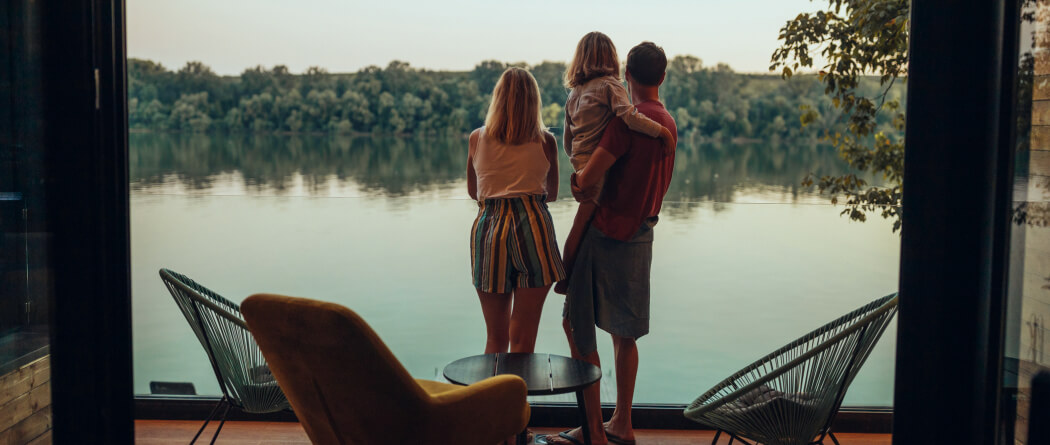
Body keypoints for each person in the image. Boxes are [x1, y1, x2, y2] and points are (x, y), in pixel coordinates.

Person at [541, 41, 676, 445]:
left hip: (605, 236)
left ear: (627, 76)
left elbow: (586, 181)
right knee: (624, 334)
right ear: (663, 77)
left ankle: (594, 431)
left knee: (576, 326)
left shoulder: (624, 124)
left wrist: (578, 178)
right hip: (642, 236)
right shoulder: (667, 122)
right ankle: (623, 423)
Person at [554, 31, 676, 296]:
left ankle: (564, 275)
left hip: (580, 161)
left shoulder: (574, 93)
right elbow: (628, 116)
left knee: (579, 223)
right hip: (599, 173)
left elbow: (567, 140)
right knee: (582, 221)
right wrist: (661, 132)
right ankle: (564, 279)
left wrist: (578, 168)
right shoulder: (611, 86)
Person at [467, 67, 565, 357]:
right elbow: (554, 194)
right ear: (534, 102)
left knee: (495, 340)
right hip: (533, 228)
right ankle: (521, 402)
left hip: (489, 231)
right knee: (523, 342)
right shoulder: (546, 141)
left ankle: (495, 402)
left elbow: (475, 193)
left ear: (497, 99)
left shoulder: (476, 138)